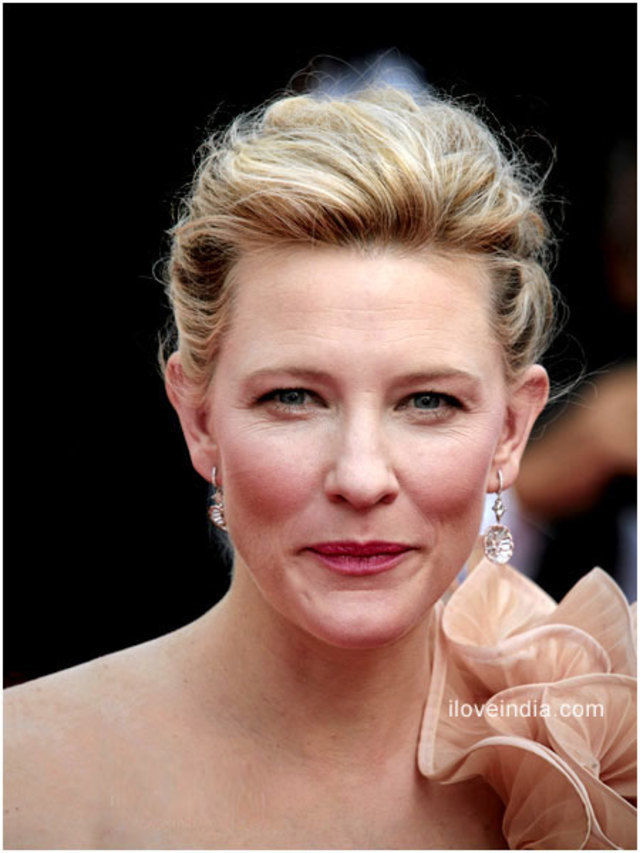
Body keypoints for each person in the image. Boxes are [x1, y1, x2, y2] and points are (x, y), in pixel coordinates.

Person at [4, 83, 636, 850]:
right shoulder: (24, 778)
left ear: (510, 430)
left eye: (428, 401)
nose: (361, 478)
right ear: (198, 418)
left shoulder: (601, 753)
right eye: (293, 397)